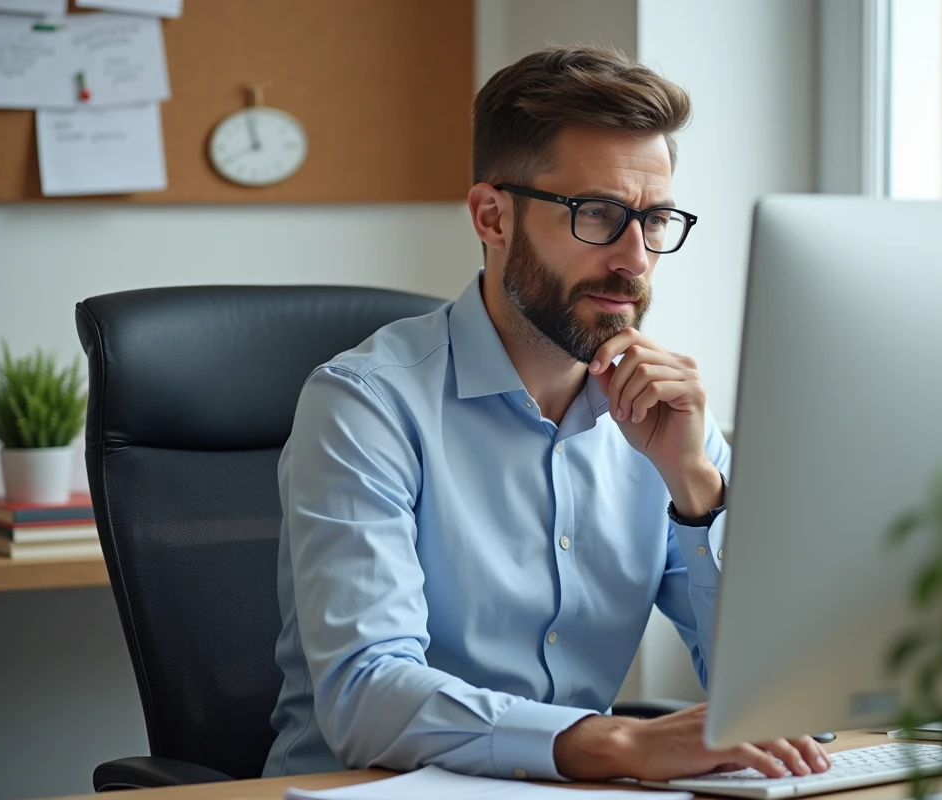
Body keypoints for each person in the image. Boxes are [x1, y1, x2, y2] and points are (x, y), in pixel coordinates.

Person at [263, 45, 831, 784]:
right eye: (598, 214)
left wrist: (696, 488)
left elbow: (787, 698)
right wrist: (620, 744)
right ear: (492, 217)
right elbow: (366, 696)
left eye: (654, 219)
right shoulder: (365, 406)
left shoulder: (664, 418)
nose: (636, 258)